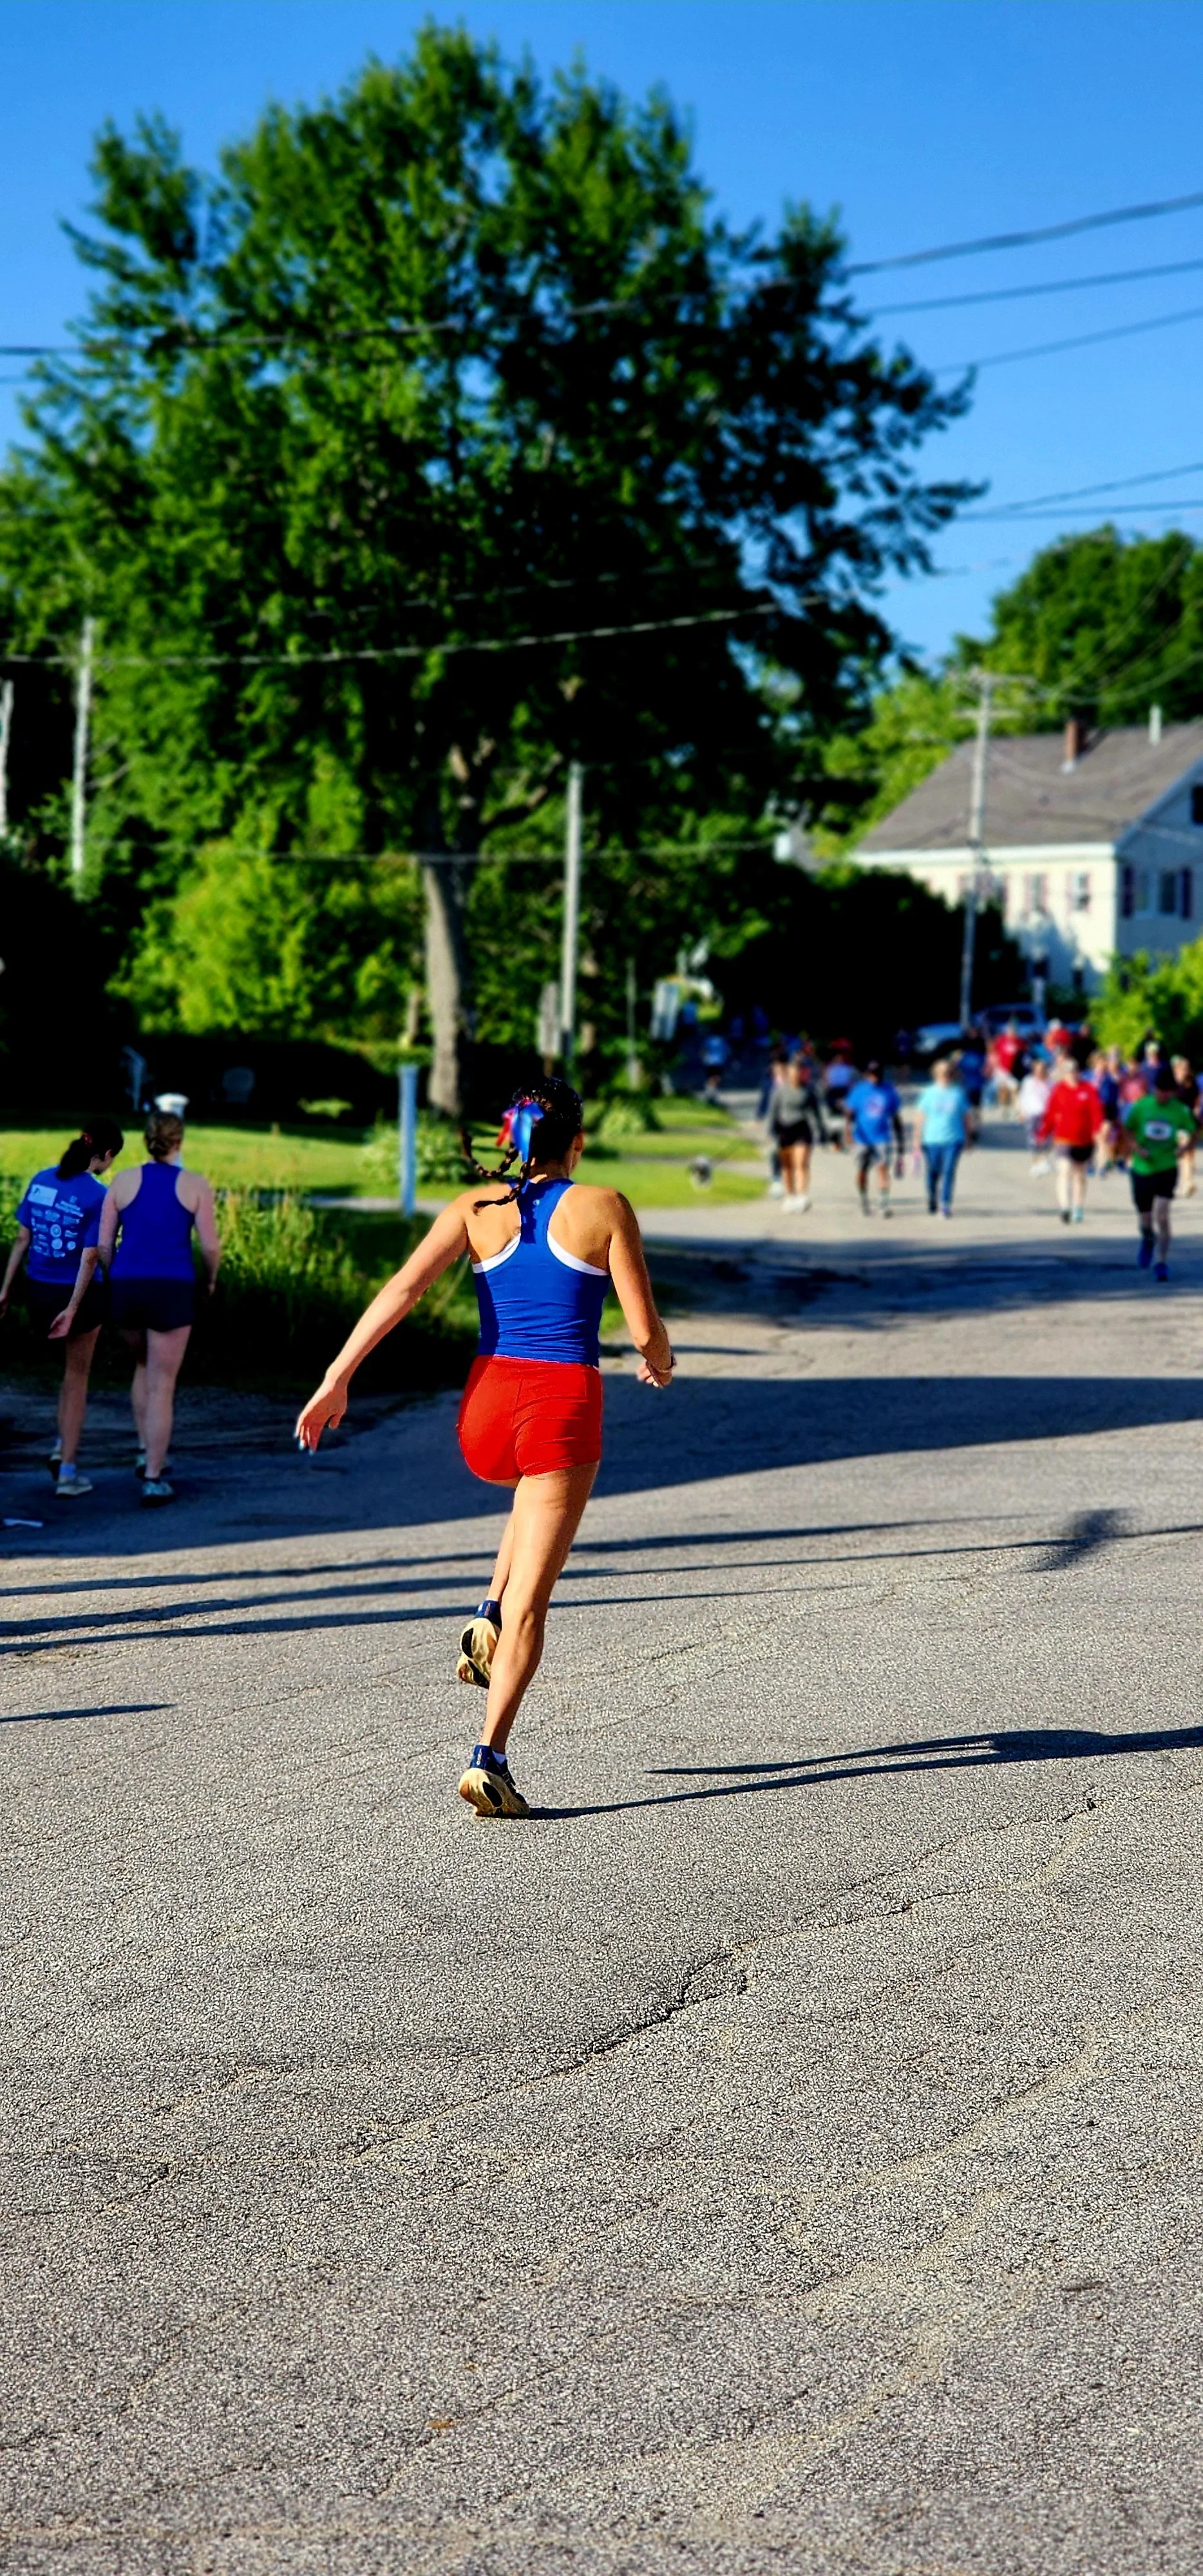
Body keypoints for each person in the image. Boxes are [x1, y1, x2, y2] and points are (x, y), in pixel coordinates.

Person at [295, 1079, 674, 1819]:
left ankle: (488, 1611)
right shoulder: (604, 1206)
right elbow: (640, 1328)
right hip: (560, 1404)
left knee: (528, 1502)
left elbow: (402, 1289)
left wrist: (335, 1379)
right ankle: (488, 1757)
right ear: (576, 1142)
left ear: (511, 1140)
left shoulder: (473, 1210)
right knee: (538, 1595)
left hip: (484, 1409)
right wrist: (660, 1358)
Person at [55, 1109, 221, 1502]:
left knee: (144, 1365)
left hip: (128, 1288)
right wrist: (210, 1279)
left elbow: (106, 1245)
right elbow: (210, 1246)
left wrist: (120, 1276)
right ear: (178, 1142)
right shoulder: (195, 1185)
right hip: (173, 1287)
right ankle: (152, 1474)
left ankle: (146, 1446)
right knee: (163, 1385)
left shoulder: (122, 1182)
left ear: (147, 1140)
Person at [0, 1117, 124, 1497]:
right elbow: (92, 1256)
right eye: (111, 1158)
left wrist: (4, 1290)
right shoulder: (98, 1195)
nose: (110, 1165)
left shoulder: (40, 1180)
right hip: (76, 1297)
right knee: (76, 1380)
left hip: (38, 1291)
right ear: (103, 1155)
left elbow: (22, 1239)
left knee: (66, 1377)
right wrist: (73, 1308)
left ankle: (60, 1447)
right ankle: (68, 1472)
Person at [1119, 1060, 1197, 1280]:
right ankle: (1147, 1239)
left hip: (1166, 1168)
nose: (1163, 1096)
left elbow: (1194, 1130)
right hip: (1143, 1169)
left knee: (1162, 1214)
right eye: (1160, 1091)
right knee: (1146, 1220)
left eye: (1167, 1092)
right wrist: (1135, 1148)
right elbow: (1127, 1129)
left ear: (1172, 1091)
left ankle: (1162, 1262)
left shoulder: (1179, 1110)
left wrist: (1185, 1148)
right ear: (1155, 1089)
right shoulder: (1142, 1106)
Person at [1037, 1054, 1104, 1224]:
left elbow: (1096, 1112)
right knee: (1064, 1170)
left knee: (1079, 1175)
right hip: (1063, 1138)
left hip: (1084, 1140)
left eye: (1074, 1071)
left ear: (1079, 1072)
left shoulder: (1088, 1089)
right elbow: (1050, 1113)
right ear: (1064, 1074)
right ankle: (1065, 1207)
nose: (1072, 1075)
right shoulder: (1059, 1090)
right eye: (1068, 1072)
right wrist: (1043, 1132)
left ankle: (1078, 1207)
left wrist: (1098, 1129)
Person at [764, 1052, 825, 1211]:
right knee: (787, 1167)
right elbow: (772, 1113)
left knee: (802, 1163)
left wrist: (823, 1132)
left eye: (798, 1072)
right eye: (792, 1072)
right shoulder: (779, 1091)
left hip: (802, 1130)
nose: (795, 1075)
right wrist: (769, 1133)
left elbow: (817, 1114)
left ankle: (802, 1196)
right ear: (788, 1073)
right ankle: (790, 1196)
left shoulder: (809, 1091)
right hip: (784, 1131)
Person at [844, 1059, 904, 1215]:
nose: (875, 1077)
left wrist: (900, 1141)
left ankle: (884, 1203)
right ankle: (864, 1199)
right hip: (862, 1138)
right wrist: (848, 1132)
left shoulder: (889, 1090)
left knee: (883, 1169)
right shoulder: (859, 1090)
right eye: (871, 1074)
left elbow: (896, 1117)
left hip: (882, 1137)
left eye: (877, 1074)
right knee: (862, 1171)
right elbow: (850, 1114)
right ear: (866, 1075)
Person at [912, 1057, 969, 1217]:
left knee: (949, 1171)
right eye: (943, 1072)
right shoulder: (928, 1093)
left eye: (949, 1072)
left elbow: (966, 1116)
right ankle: (932, 1197)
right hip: (931, 1139)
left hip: (954, 1139)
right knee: (933, 1172)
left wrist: (969, 1137)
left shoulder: (958, 1093)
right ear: (936, 1074)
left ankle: (945, 1203)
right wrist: (917, 1138)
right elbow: (919, 1116)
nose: (946, 1075)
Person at [1016, 1061, 1051, 1173]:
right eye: (1037, 1070)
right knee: (1032, 1140)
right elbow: (1022, 1098)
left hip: (1046, 1115)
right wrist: (1021, 1112)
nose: (1039, 1073)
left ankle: (1043, 1159)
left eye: (1042, 1070)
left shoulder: (1051, 1083)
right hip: (1031, 1114)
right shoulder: (1028, 1082)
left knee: (1046, 1140)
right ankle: (1036, 1163)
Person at [1171, 1054, 1198, 1197]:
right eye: (1182, 1068)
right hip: (1174, 1122)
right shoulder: (1171, 1084)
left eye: (1187, 1068)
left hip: (1187, 1122)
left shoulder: (1191, 1083)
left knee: (1187, 1152)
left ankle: (1187, 1183)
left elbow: (1196, 1100)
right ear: (1176, 1069)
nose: (1185, 1071)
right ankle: (1175, 1184)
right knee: (1176, 1155)